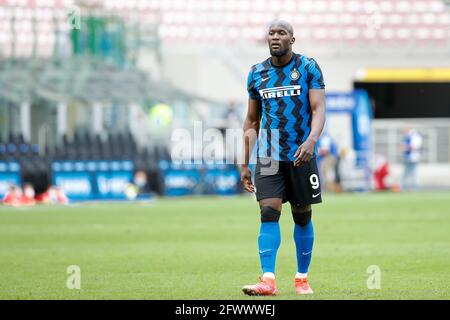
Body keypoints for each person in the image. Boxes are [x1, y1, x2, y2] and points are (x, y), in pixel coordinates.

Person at [240, 20, 326, 296]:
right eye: (272, 33)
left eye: (282, 33)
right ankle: (268, 280)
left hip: (301, 153)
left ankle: (302, 278)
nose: (275, 37)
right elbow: (252, 120)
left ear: (292, 39)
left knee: (301, 216)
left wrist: (311, 140)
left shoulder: (308, 68)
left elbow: (318, 109)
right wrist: (244, 162)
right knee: (268, 212)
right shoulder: (257, 73)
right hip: (269, 155)